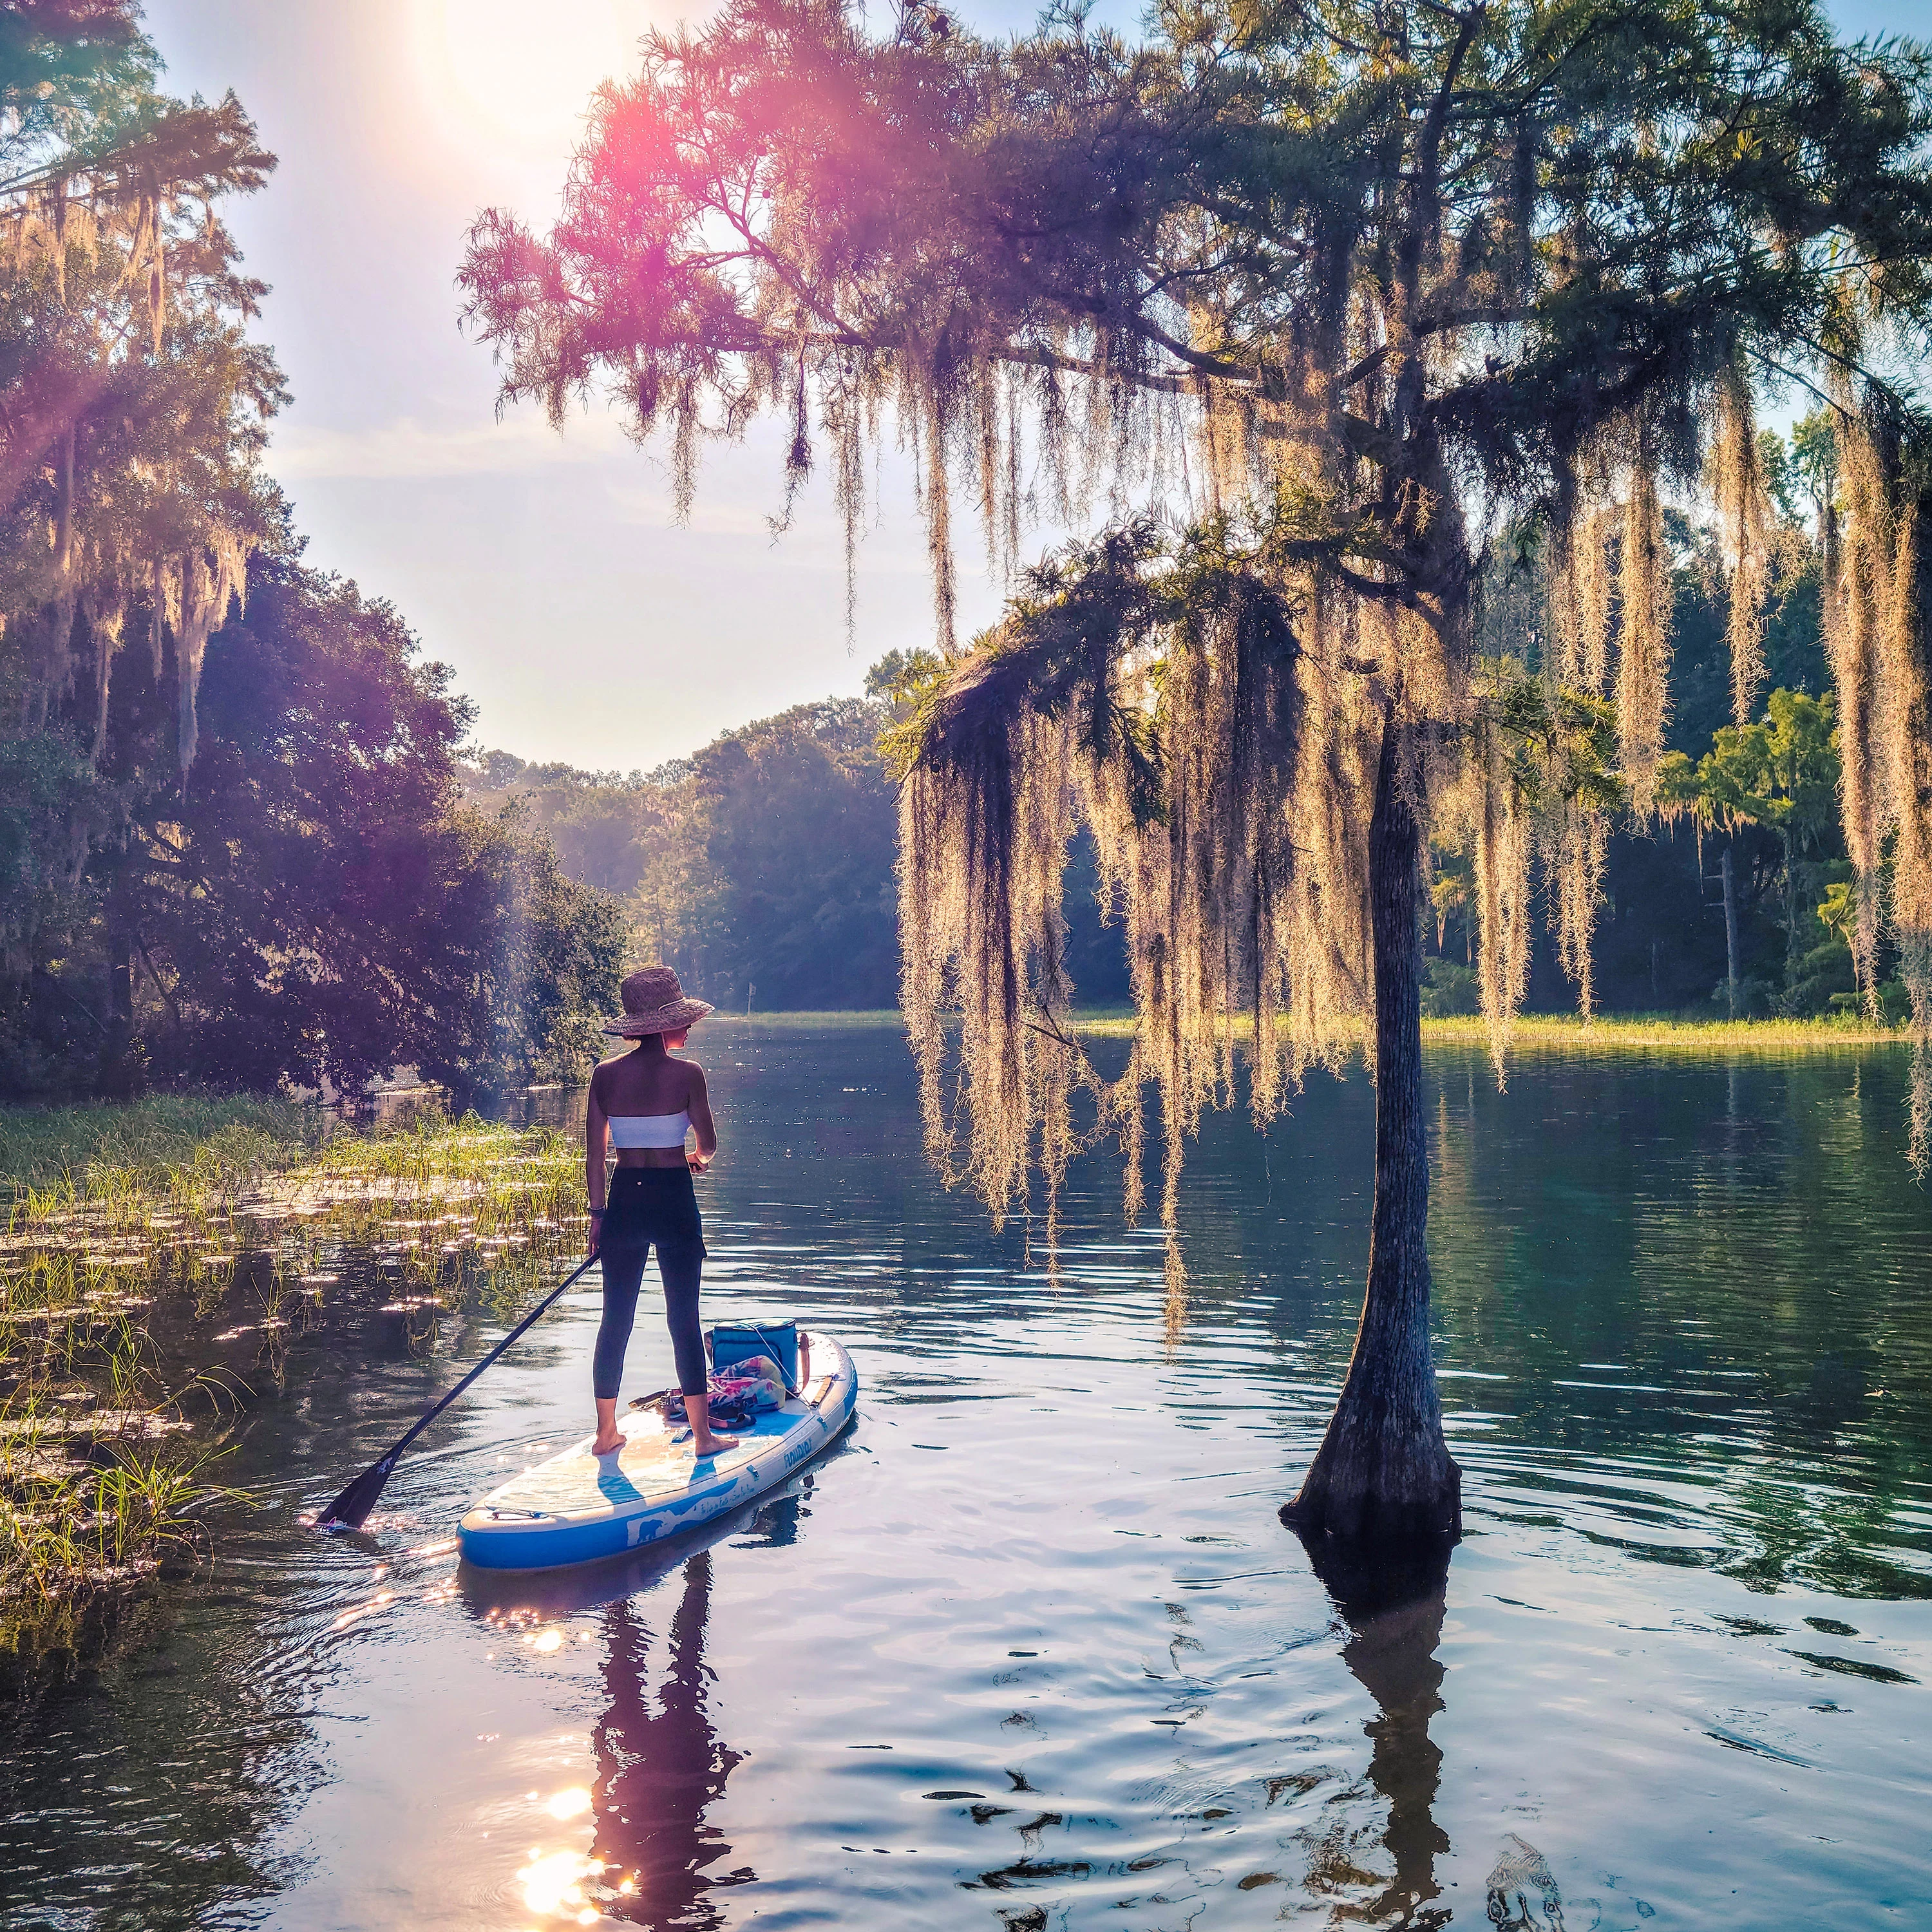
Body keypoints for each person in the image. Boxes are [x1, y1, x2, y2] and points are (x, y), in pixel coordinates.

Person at [585, 965, 735, 1458]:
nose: (688, 1028)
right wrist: (696, 1159)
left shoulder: (604, 1076)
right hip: (673, 1196)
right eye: (682, 1020)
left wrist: (598, 1216)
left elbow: (594, 1155)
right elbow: (708, 1145)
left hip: (626, 1197)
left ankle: (607, 1435)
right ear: (665, 1024)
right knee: (683, 1319)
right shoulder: (688, 1074)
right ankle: (703, 1438)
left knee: (616, 1320)